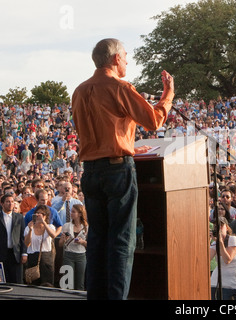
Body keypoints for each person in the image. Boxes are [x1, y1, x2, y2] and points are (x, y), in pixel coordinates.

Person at [72, 38, 174, 299]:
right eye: (126, 56)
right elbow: (153, 120)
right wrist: (168, 94)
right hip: (117, 171)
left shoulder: (79, 91)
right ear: (116, 58)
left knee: (97, 240)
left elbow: (87, 131)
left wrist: (126, 144)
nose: (127, 60)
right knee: (121, 242)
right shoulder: (120, 86)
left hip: (91, 172)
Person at [210, 216, 236, 300]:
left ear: (227, 228)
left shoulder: (233, 239)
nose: (219, 229)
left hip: (229, 283)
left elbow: (227, 259)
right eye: (216, 227)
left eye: (221, 226)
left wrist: (220, 242)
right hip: (215, 281)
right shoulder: (215, 243)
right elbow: (206, 259)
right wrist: (208, 240)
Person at [24, 204, 57, 286]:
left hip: (46, 258)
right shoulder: (28, 227)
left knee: (47, 284)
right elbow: (27, 244)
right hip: (33, 257)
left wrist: (44, 223)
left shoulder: (50, 226)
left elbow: (53, 235)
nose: (39, 215)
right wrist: (31, 230)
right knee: (33, 284)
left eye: (42, 214)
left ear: (46, 216)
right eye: (37, 213)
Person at [59, 204, 88, 290]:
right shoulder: (67, 225)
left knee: (80, 282)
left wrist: (82, 242)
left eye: (73, 212)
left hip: (81, 255)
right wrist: (64, 239)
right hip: (69, 254)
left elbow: (89, 244)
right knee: (67, 282)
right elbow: (60, 244)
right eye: (71, 211)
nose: (71, 213)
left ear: (80, 214)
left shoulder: (86, 227)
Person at [0, 194, 27, 283]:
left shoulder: (19, 217)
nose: (10, 204)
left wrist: (24, 253)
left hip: (15, 253)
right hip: (2, 254)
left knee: (17, 280)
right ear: (2, 203)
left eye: (12, 202)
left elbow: (22, 236)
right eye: (8, 202)